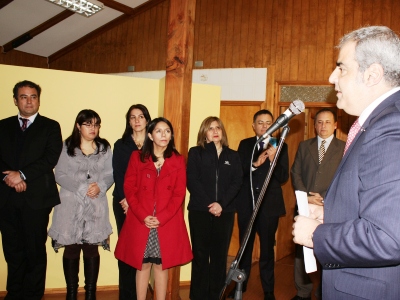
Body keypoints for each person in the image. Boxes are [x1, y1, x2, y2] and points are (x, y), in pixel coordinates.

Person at [292, 26, 400, 299]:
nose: (332, 77)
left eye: (341, 68)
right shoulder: (377, 123)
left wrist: (316, 235)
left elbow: (387, 237)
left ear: (372, 74)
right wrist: (331, 215)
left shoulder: (390, 126)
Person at [115, 117, 192, 300]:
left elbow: (179, 193)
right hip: (141, 221)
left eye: (167, 131)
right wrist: (143, 215)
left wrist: (162, 217)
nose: (164, 135)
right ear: (150, 135)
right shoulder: (137, 157)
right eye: (159, 131)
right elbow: (129, 189)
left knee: (161, 265)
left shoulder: (178, 160)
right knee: (142, 265)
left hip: (165, 222)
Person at [0, 80, 63, 300]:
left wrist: (23, 174)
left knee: (34, 251)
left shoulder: (51, 126)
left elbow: (50, 158)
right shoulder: (2, 125)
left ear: (38, 99)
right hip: (6, 199)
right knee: (12, 251)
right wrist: (11, 177)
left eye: (33, 96)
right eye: (24, 97)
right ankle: (14, 293)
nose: (29, 101)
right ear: (16, 100)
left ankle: (33, 295)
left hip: (37, 200)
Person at [48, 109, 113, 300]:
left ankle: (90, 293)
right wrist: (81, 187)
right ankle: (71, 293)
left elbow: (110, 174)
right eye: (88, 124)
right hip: (70, 205)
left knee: (92, 248)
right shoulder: (67, 147)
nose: (93, 128)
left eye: (96, 124)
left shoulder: (104, 148)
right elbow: (59, 174)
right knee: (72, 247)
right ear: (78, 126)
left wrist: (100, 186)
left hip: (96, 205)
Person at [230, 109, 289, 300]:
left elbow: (283, 177)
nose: (265, 126)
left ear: (275, 125)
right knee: (244, 248)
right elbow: (239, 173)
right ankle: (241, 284)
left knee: (266, 250)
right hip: (247, 204)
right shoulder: (245, 144)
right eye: (261, 122)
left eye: (268, 122)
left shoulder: (280, 145)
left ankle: (269, 290)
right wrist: (255, 165)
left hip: (269, 207)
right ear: (254, 125)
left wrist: (272, 161)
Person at [290, 108, 345, 300]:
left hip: (330, 207)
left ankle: (324, 291)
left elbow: (344, 177)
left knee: (328, 249)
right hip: (305, 207)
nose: (323, 126)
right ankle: (302, 292)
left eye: (328, 122)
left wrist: (324, 196)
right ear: (314, 126)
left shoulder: (344, 147)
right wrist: (305, 196)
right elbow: (295, 172)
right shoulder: (305, 146)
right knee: (301, 251)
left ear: (335, 125)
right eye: (320, 122)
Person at [187, 116, 243, 300]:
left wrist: (221, 204)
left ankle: (216, 296)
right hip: (200, 211)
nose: (215, 131)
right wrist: (210, 204)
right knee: (200, 256)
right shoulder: (196, 153)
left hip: (225, 212)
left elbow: (237, 182)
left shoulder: (233, 155)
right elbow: (192, 181)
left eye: (218, 127)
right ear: (204, 133)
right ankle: (197, 296)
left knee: (219, 257)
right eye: (210, 128)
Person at [112, 104, 151, 300]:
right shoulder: (121, 145)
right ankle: (126, 295)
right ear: (128, 121)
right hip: (123, 204)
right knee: (127, 251)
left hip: (146, 206)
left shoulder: (154, 144)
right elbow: (118, 175)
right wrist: (125, 200)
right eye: (133, 117)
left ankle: (141, 295)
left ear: (147, 120)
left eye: (141, 116)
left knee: (144, 252)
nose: (137, 120)